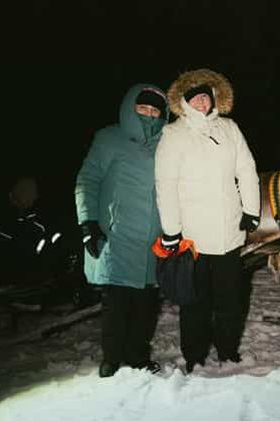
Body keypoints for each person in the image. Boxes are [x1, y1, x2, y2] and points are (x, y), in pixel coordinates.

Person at [154, 69, 260, 374]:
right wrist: (172, 231)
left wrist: (251, 211)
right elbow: (166, 185)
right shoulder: (173, 135)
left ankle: (228, 351)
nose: (202, 102)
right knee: (195, 303)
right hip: (193, 238)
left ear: (213, 99)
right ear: (185, 102)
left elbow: (247, 171)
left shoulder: (229, 128)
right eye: (195, 97)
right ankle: (195, 356)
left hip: (228, 234)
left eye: (206, 96)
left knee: (230, 301)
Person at [74, 84, 168, 377]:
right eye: (143, 109)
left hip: (153, 239)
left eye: (155, 110)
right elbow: (87, 180)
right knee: (117, 303)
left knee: (146, 303)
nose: (149, 115)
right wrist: (88, 222)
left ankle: (138, 356)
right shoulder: (108, 138)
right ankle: (112, 358)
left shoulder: (167, 144)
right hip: (117, 235)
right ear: (130, 108)